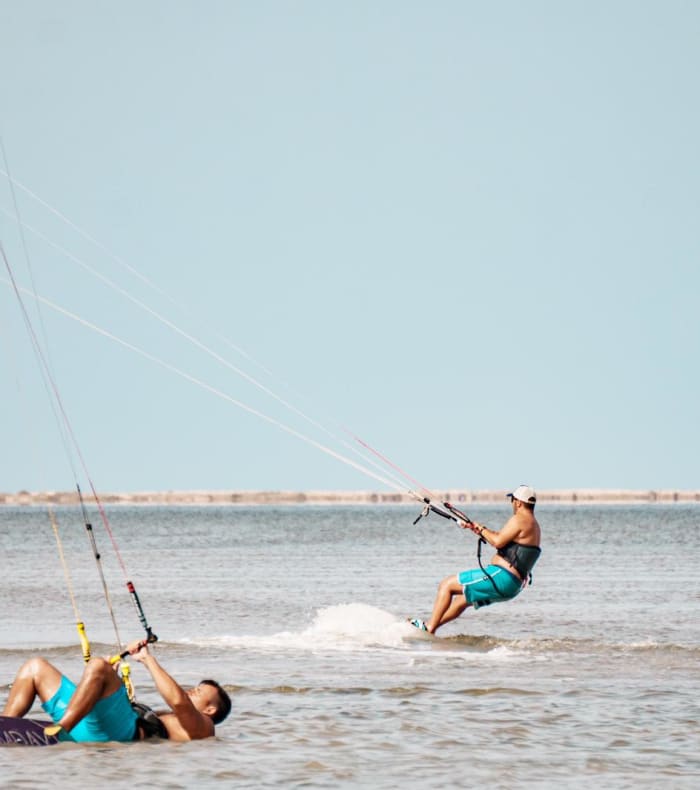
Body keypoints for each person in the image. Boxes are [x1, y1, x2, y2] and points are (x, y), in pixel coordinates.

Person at [1, 639, 231, 742]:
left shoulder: (204, 727)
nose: (191, 691)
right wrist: (104, 682)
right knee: (35, 667)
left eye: (199, 692)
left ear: (210, 709)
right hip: (94, 723)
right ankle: (6, 726)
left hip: (116, 733)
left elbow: (179, 702)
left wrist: (147, 659)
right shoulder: (171, 717)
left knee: (98, 666)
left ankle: (63, 727)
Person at [409, 485, 542, 635]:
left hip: (502, 578)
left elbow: (497, 542)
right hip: (512, 586)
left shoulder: (519, 519)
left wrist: (482, 530)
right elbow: (501, 538)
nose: (512, 503)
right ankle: (430, 628)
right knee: (462, 600)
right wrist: (479, 528)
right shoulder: (533, 525)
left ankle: (429, 628)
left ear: (518, 502)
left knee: (446, 585)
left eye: (512, 500)